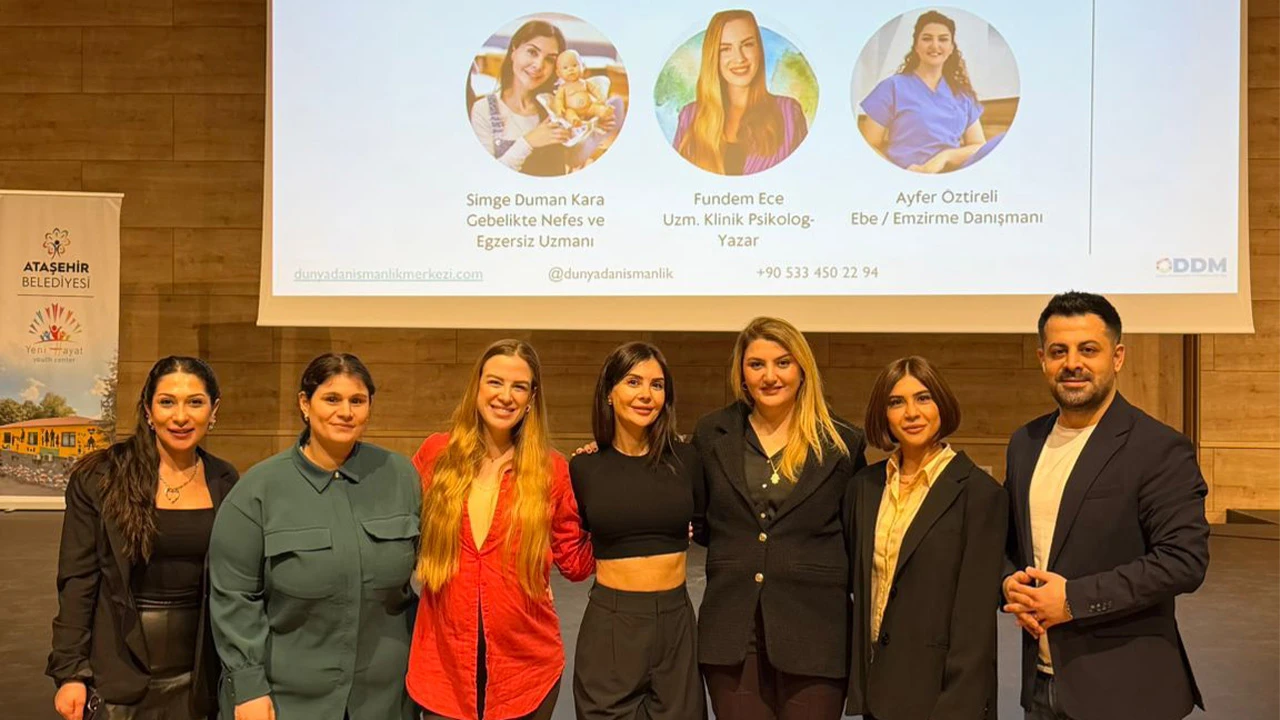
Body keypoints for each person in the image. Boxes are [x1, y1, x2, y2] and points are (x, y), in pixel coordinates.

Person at [1002, 292, 1209, 720]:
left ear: (1117, 357)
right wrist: (1007, 583)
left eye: (1088, 350)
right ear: (1042, 359)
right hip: (1041, 688)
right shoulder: (1025, 443)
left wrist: (1072, 599)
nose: (1072, 363)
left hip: (1127, 694)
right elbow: (1007, 543)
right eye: (1058, 351)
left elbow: (1184, 560)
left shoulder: (1158, 447)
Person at [209, 353, 420, 720]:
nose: (346, 412)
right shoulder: (259, 489)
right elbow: (234, 596)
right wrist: (248, 686)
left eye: (357, 400)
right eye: (332, 399)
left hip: (385, 699)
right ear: (305, 404)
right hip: (286, 700)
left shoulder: (400, 476)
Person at [408, 339, 594, 720]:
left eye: (518, 386)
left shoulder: (551, 470)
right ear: (477, 385)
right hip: (443, 670)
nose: (505, 396)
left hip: (526, 672)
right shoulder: (436, 456)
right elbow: (398, 529)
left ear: (531, 398)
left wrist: (608, 474)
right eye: (495, 382)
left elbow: (575, 564)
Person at [692, 316, 866, 719]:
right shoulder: (711, 433)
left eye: (782, 363)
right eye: (757, 364)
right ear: (741, 373)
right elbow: (701, 521)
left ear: (802, 369)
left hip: (816, 634)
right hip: (732, 634)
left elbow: (853, 532)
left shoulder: (842, 441)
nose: (770, 376)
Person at [47, 356, 238, 720]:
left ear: (213, 410)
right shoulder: (100, 477)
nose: (180, 417)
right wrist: (71, 672)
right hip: (118, 674)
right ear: (148, 411)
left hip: (199, 676)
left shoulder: (225, 479)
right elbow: (77, 580)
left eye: (194, 402)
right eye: (167, 402)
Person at [845, 356, 1006, 720]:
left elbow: (975, 623)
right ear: (883, 414)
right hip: (879, 692)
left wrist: (957, 707)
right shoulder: (864, 488)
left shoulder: (980, 494)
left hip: (943, 699)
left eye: (923, 398)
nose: (911, 413)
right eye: (896, 402)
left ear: (942, 405)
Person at [569, 342, 705, 720]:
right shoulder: (584, 468)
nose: (646, 394)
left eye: (656, 385)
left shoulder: (688, 460)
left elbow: (705, 524)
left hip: (677, 623)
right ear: (609, 392)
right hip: (612, 622)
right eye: (633, 382)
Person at [859, 10, 1004, 173]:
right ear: (916, 46)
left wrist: (945, 157)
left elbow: (978, 146)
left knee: (1001, 140)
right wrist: (901, 174)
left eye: (943, 39)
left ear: (951, 48)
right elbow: (869, 146)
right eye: (927, 38)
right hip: (908, 175)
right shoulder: (892, 87)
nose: (935, 46)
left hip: (954, 175)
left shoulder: (963, 95)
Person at [468, 20, 619, 176]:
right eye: (532, 52)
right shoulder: (483, 110)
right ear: (514, 50)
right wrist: (528, 142)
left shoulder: (555, 106)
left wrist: (595, 131)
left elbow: (571, 159)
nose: (539, 65)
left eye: (550, 59)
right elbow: (489, 176)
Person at [673, 10, 808, 175]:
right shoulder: (689, 117)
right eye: (725, 49)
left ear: (759, 50)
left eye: (747, 45)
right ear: (713, 56)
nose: (739, 58)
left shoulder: (789, 113)